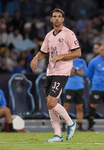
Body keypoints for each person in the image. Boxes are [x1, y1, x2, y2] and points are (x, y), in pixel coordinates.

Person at [30, 8, 81, 142]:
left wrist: (61, 56)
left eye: (59, 16)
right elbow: (43, 52)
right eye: (54, 16)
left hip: (62, 71)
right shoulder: (48, 35)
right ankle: (58, 135)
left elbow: (78, 53)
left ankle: (71, 123)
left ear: (63, 19)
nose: (57, 18)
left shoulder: (69, 34)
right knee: (50, 105)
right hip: (50, 71)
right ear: (51, 19)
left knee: (52, 103)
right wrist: (35, 58)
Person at [62, 58, 88, 131]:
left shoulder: (82, 61)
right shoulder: (67, 60)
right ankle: (63, 126)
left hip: (80, 87)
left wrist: (74, 71)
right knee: (66, 106)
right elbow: (66, 73)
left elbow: (85, 73)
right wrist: (78, 72)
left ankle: (80, 126)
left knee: (80, 107)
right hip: (69, 87)